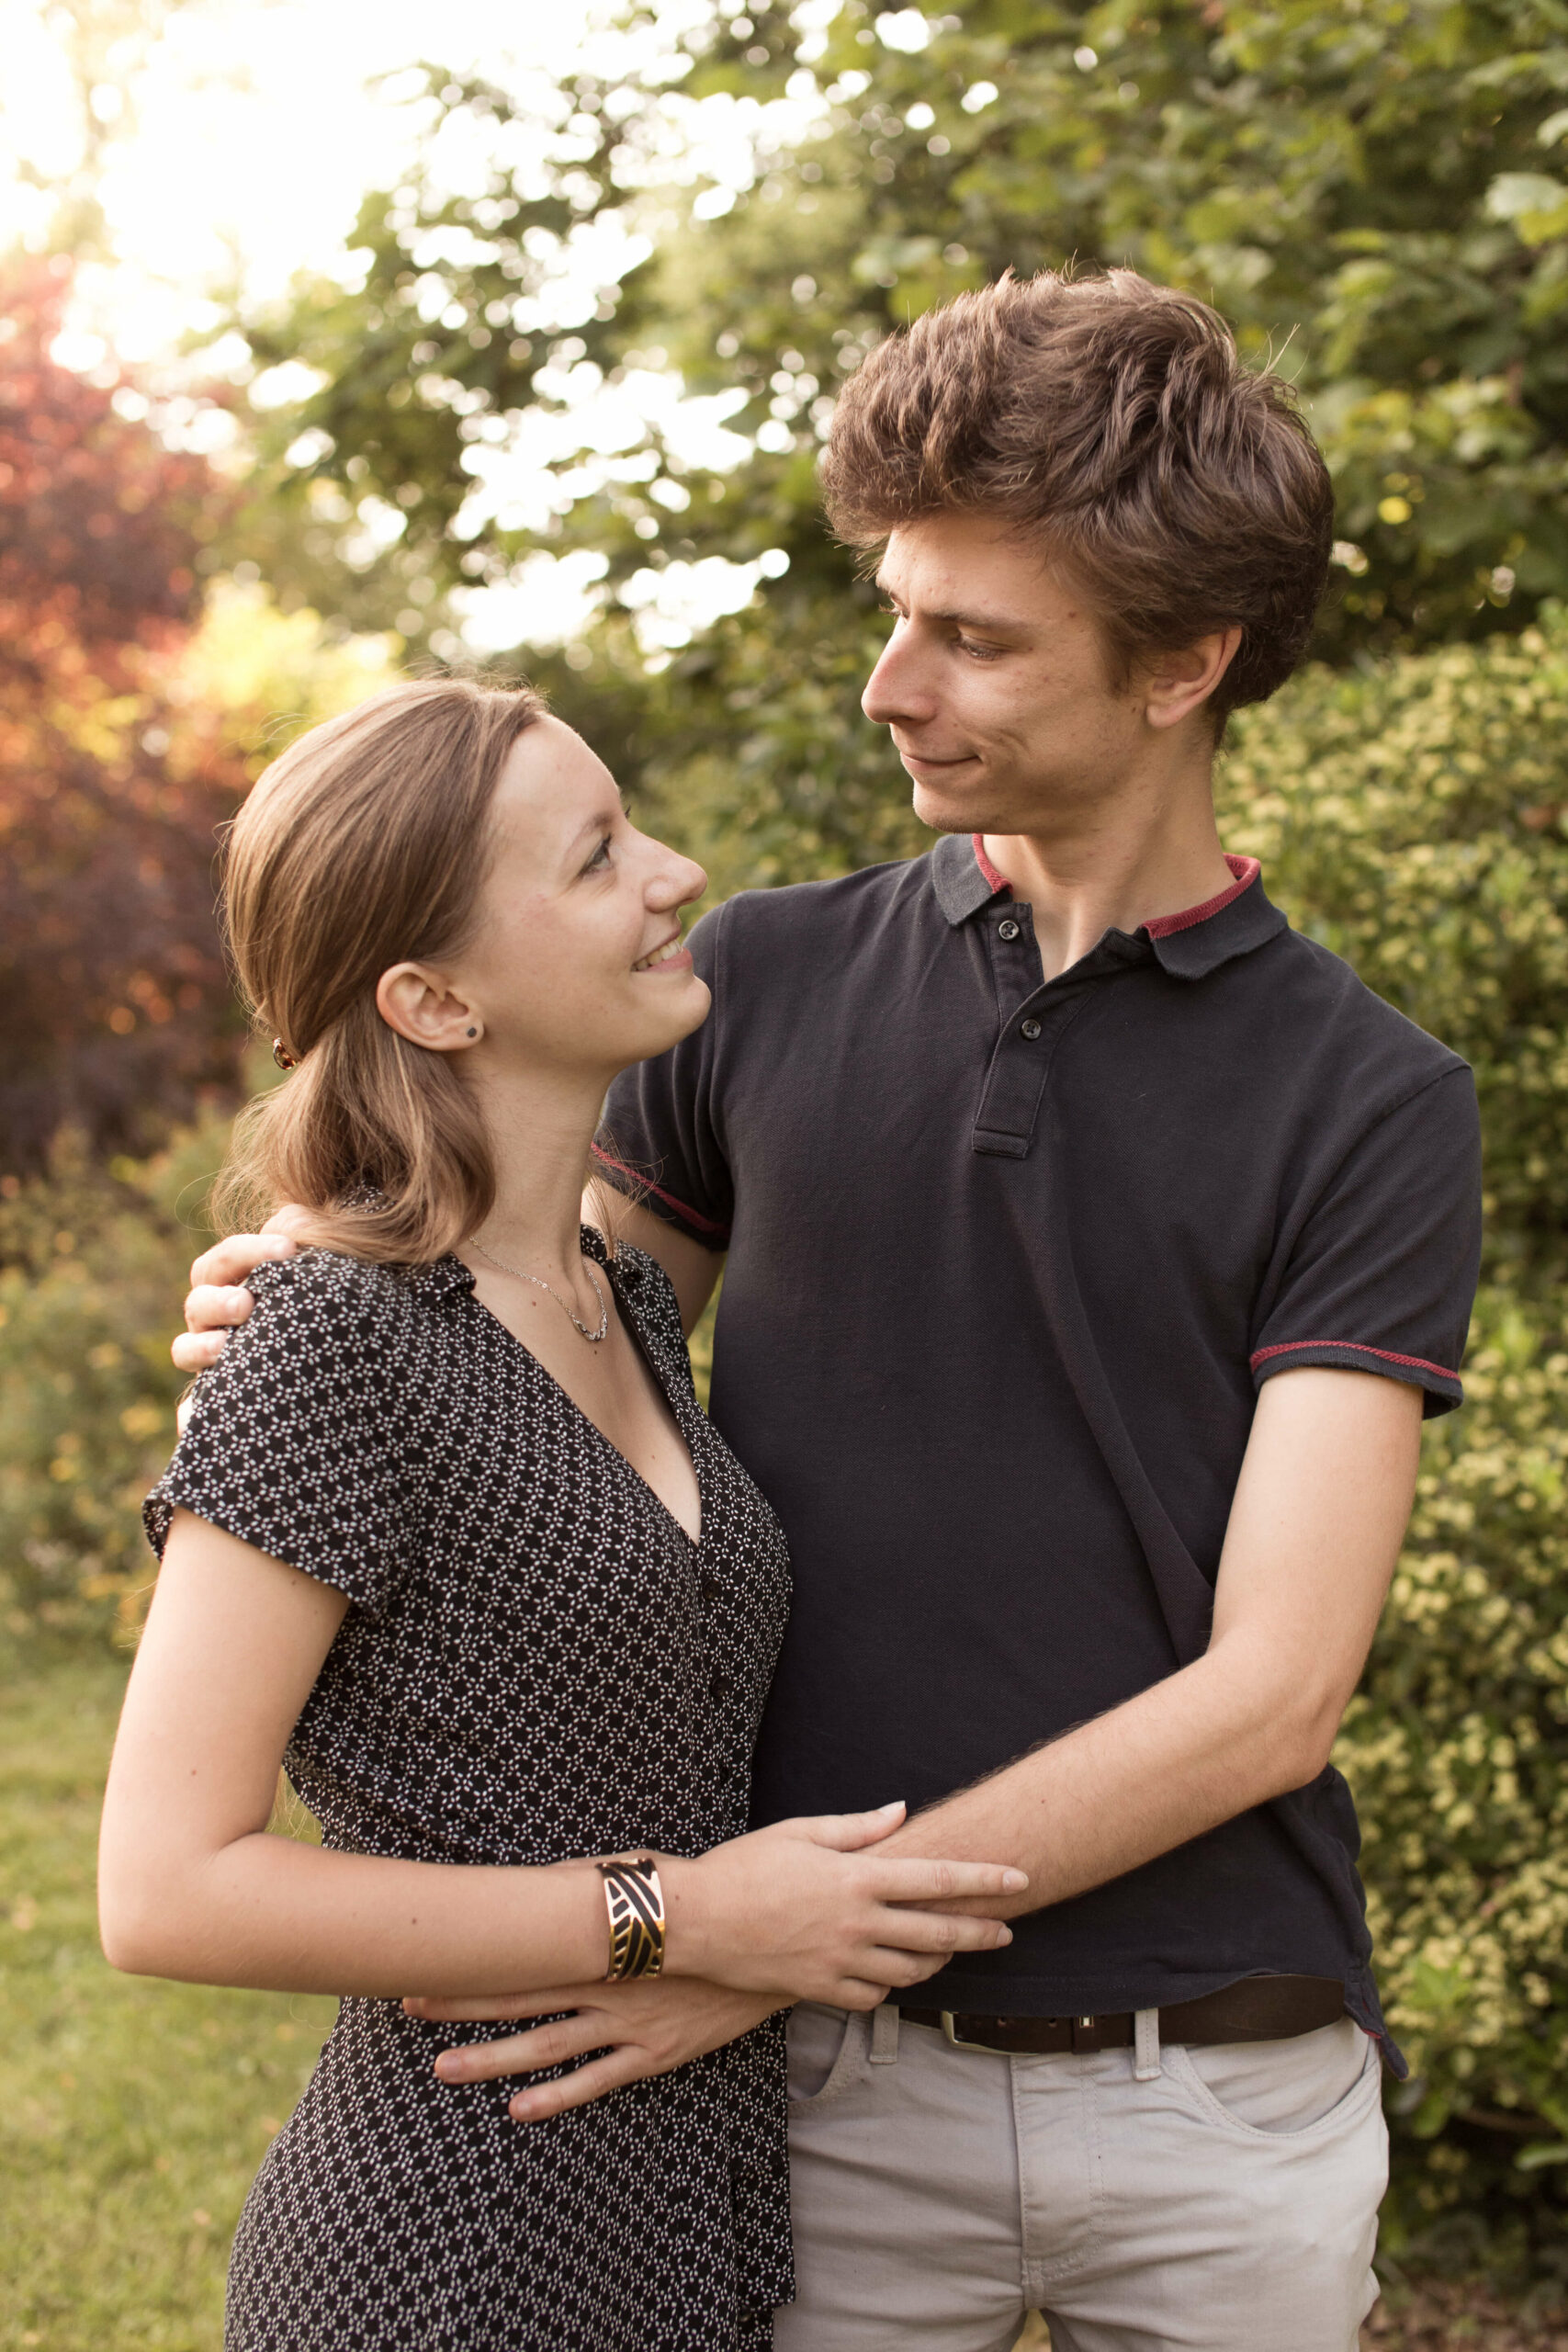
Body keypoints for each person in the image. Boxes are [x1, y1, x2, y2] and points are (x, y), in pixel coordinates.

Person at [179, 273, 1483, 2352]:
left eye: (970, 636)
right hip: (809, 2104)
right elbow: (519, 1355)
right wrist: (310, 1287)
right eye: (892, 606)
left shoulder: (1369, 1100)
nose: (893, 680)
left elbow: (1271, 1692)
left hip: (1213, 2094)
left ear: (1184, 662)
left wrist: (768, 1937)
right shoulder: (753, 988)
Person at [101, 675, 1024, 2352]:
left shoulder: (621, 1302)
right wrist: (682, 1911)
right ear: (435, 1000)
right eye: (598, 858)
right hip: (453, 2239)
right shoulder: (333, 1334)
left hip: (692, 2222)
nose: (675, 877)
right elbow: (166, 1887)